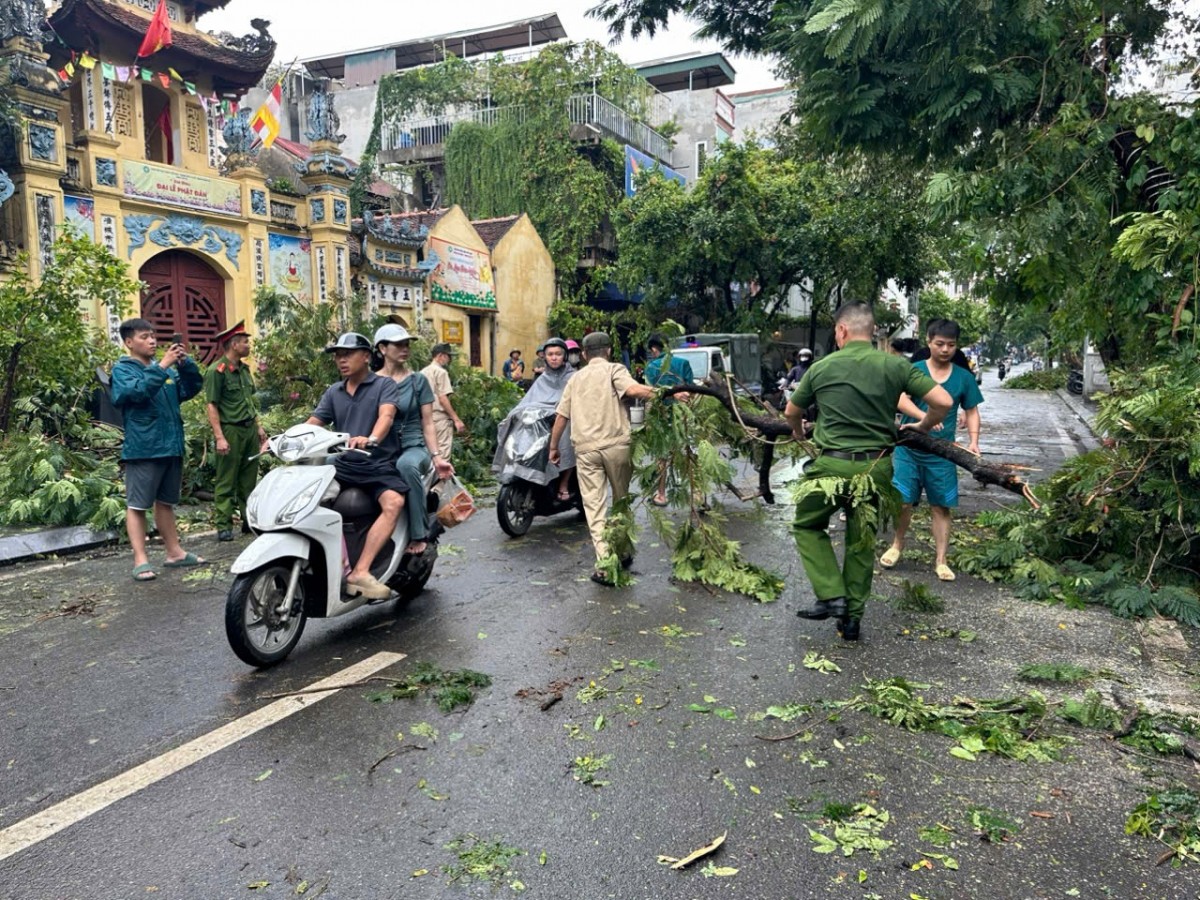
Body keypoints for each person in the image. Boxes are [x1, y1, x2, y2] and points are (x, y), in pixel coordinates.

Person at [784, 304, 952, 641]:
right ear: (873, 332)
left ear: (842, 331)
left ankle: (832, 595)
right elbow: (944, 402)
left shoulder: (822, 367)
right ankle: (852, 621)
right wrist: (922, 425)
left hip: (831, 466)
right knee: (861, 541)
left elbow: (792, 411)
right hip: (876, 468)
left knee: (806, 523)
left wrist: (799, 434)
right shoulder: (895, 366)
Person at [306, 332, 407, 600]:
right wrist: (283, 439)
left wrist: (371, 438)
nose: (341, 360)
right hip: (343, 465)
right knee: (309, 500)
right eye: (338, 355)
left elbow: (386, 415)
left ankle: (360, 572)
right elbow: (313, 423)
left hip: (376, 464)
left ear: (366, 356)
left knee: (394, 503)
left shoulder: (384, 385)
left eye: (347, 354)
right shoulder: (334, 391)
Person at [550, 332, 656, 586]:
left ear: (585, 355)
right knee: (621, 502)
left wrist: (553, 447)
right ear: (608, 350)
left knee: (594, 508)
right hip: (618, 445)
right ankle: (624, 552)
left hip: (586, 450)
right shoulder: (615, 369)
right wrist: (665, 393)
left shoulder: (575, 379)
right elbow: (632, 390)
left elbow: (561, 417)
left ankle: (606, 566)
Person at [881, 319, 984, 582]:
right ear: (928, 342)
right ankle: (896, 545)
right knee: (903, 501)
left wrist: (973, 441)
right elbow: (899, 398)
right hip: (909, 447)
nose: (945, 349)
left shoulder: (963, 377)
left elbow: (971, 411)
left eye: (951, 345)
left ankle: (941, 560)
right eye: (939, 344)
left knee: (941, 507)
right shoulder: (914, 370)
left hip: (942, 452)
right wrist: (923, 416)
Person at [111, 318, 205, 582]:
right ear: (129, 342)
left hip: (171, 445)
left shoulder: (164, 371)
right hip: (144, 448)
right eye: (144, 337)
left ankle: (174, 552)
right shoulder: (123, 370)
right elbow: (134, 394)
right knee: (137, 504)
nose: (152, 341)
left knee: (166, 502)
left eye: (153, 336)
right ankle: (140, 559)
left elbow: (191, 388)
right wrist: (163, 366)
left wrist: (185, 366)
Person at [373, 324, 454, 557]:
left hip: (413, 446)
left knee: (406, 466)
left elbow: (427, 422)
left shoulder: (418, 381)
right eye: (398, 344)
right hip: (381, 447)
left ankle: (420, 533)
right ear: (382, 348)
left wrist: (437, 457)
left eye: (406, 344)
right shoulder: (372, 381)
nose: (405, 349)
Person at [204, 320, 268, 542]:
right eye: (244, 342)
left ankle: (248, 520)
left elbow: (249, 400)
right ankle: (223, 525)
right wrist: (219, 437)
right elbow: (212, 405)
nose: (248, 346)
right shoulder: (217, 371)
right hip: (230, 430)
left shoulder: (244, 370)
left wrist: (258, 426)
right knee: (226, 479)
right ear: (233, 344)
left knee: (248, 479)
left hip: (249, 429)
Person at [494, 337, 577, 500]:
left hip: (566, 418)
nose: (554, 357)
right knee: (519, 428)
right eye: (550, 354)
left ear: (564, 356)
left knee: (565, 438)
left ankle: (564, 483)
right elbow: (530, 401)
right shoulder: (542, 378)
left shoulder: (573, 377)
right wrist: (514, 414)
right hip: (543, 420)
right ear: (544, 357)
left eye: (558, 354)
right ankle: (519, 468)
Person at [643, 333, 694, 507]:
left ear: (654, 349)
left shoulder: (651, 368)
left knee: (661, 457)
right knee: (688, 453)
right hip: (683, 416)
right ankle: (699, 495)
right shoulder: (683, 363)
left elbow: (650, 393)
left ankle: (662, 494)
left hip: (661, 416)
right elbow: (690, 391)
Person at [420, 342, 465, 461]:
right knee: (442, 455)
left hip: (425, 419)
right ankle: (440, 480)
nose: (449, 359)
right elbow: (443, 398)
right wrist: (456, 419)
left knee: (430, 454)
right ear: (440, 355)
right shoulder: (441, 372)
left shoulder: (423, 372)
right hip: (440, 418)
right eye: (448, 356)